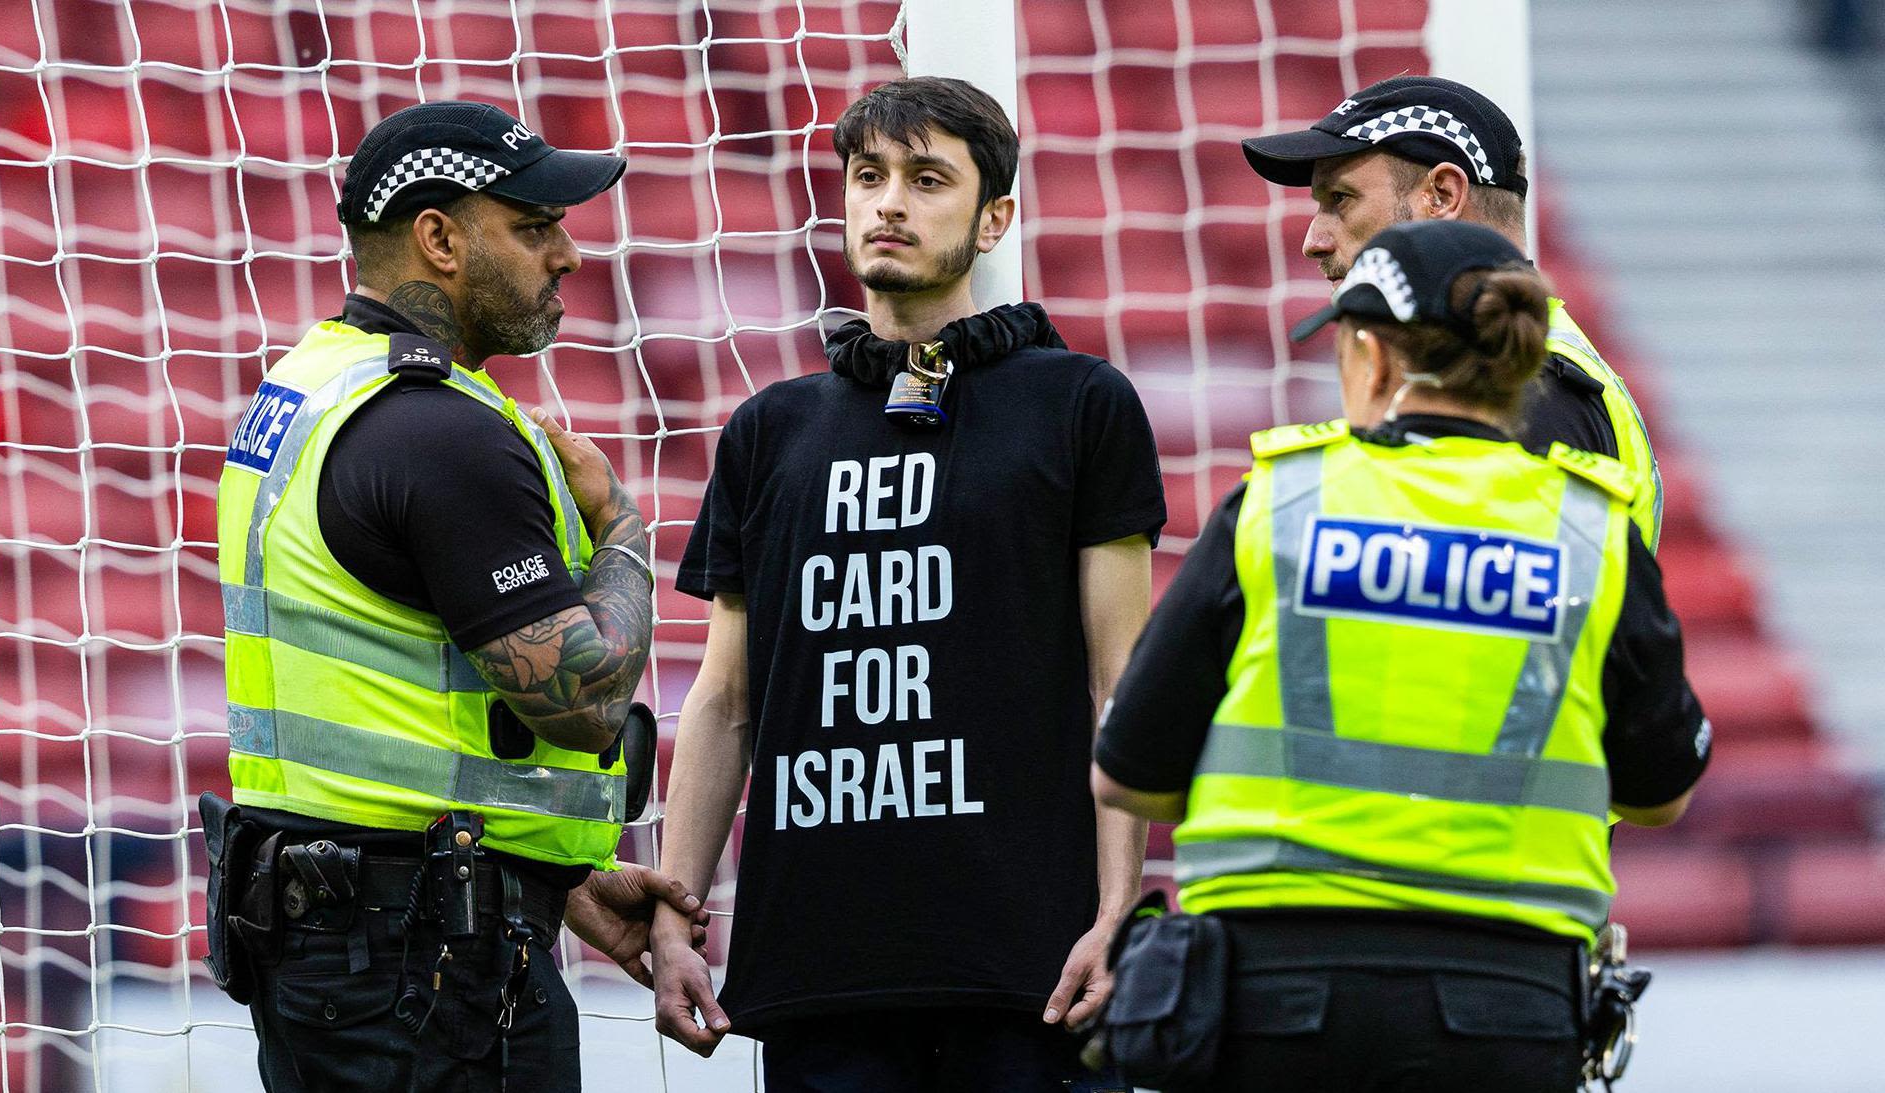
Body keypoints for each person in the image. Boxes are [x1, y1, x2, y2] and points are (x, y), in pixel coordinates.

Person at [1090, 220, 1711, 1091]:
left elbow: (1126, 772)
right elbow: (1660, 792)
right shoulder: (1593, 529)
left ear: (1375, 359)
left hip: (1275, 998)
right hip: (1507, 1005)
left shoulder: (1280, 500)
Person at [649, 77, 1166, 1091]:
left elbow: (1123, 682)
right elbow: (723, 698)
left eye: (929, 180)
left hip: (1032, 971)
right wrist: (675, 908)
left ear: (994, 217)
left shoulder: (1080, 403)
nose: (890, 202)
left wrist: (1114, 913)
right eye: (870, 176)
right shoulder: (771, 428)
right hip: (825, 975)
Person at [205, 100, 704, 1092]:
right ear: (437, 237)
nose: (565, 253)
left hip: (342, 950)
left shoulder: (308, 387)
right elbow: (586, 697)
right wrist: (621, 529)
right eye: (532, 225)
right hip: (426, 972)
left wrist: (551, 873)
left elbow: (389, 723)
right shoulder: (442, 432)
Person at [1242, 75, 1665, 549]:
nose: (1312, 242)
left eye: (1340, 199)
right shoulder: (1507, 366)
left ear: (1442, 195)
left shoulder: (1531, 388)